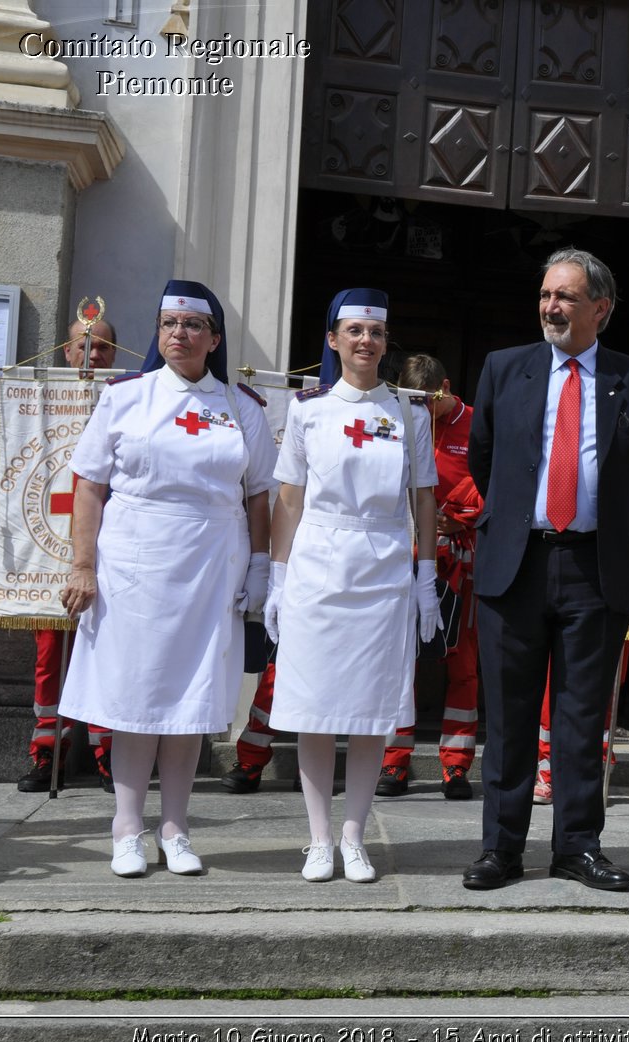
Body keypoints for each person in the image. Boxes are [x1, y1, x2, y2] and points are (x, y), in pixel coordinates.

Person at [462, 248, 629, 892]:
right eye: (547, 294)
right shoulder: (504, 368)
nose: (551, 307)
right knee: (511, 715)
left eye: (566, 297)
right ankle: (501, 848)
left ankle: (577, 845)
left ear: (600, 309)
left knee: (580, 720)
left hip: (593, 568)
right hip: (516, 565)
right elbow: (484, 461)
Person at [59, 279, 276, 878]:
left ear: (214, 337)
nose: (179, 334)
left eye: (193, 325)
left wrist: (260, 568)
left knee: (191, 698)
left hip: (211, 567)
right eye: (169, 323)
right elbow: (89, 487)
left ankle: (176, 827)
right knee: (136, 696)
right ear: (159, 333)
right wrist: (83, 565)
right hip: (134, 563)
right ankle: (126, 826)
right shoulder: (126, 398)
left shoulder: (242, 408)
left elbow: (259, 496)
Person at [263, 289, 438, 883]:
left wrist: (427, 581)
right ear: (334, 340)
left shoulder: (409, 413)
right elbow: (288, 499)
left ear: (387, 344)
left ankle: (355, 835)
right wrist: (276, 577)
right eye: (355, 331)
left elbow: (424, 499)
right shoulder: (308, 410)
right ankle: (318, 838)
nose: (367, 342)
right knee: (315, 707)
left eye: (377, 333)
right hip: (318, 561)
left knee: (370, 709)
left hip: (384, 565)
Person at [17, 317, 118, 794]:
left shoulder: (126, 399)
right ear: (65, 351)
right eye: (84, 345)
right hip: (54, 552)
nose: (93, 355)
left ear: (115, 355)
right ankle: (46, 756)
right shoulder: (42, 401)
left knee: (111, 656)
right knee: (49, 660)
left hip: (113, 554)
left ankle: (110, 757)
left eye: (102, 347)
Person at [376, 354, 478, 800]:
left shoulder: (478, 423)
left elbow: (496, 478)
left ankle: (456, 767)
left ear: (447, 387)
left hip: (459, 558)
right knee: (400, 664)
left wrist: (462, 514)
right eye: (413, 402)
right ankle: (393, 764)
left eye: (430, 403)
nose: (423, 412)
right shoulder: (397, 418)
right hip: (405, 557)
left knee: (464, 667)